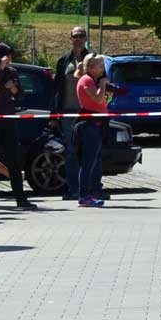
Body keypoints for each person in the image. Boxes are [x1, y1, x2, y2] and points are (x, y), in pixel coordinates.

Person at [0, 43, 37, 210]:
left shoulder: (12, 72)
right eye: (7, 56)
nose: (9, 59)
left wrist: (14, 88)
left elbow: (21, 95)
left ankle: (20, 198)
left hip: (8, 119)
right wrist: (0, 69)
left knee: (14, 160)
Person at [53, 26, 92, 200]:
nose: (78, 39)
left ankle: (91, 188)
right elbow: (56, 88)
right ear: (70, 38)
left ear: (86, 38)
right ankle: (73, 188)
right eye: (75, 36)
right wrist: (53, 113)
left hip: (87, 112)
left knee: (90, 151)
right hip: (67, 113)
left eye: (81, 36)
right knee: (71, 151)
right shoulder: (64, 60)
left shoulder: (92, 59)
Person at [73, 53, 111, 208]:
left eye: (103, 66)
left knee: (95, 161)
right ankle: (84, 195)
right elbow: (97, 99)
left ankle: (92, 192)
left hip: (98, 123)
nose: (102, 69)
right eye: (100, 66)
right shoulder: (86, 80)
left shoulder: (93, 81)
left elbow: (102, 102)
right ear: (90, 67)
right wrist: (103, 85)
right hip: (90, 125)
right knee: (88, 162)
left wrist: (108, 93)